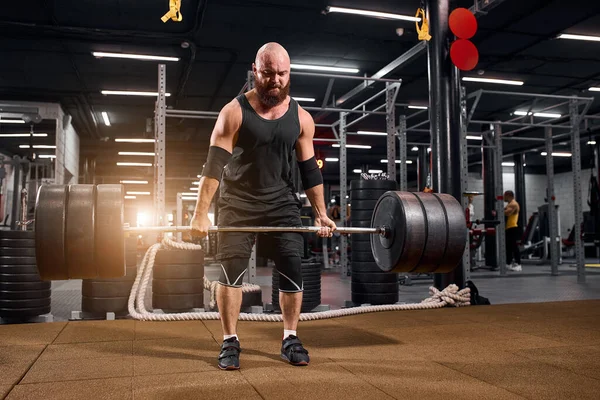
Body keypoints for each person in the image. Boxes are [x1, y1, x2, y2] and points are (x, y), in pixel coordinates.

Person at [190, 42, 336, 371]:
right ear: (255, 71)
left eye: (282, 74)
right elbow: (213, 167)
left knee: (292, 266)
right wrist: (201, 212)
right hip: (238, 201)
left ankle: (290, 336)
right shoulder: (234, 112)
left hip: (282, 201)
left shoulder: (301, 118)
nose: (275, 80)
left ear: (289, 74)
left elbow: (310, 170)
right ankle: (230, 340)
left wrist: (321, 213)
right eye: (268, 74)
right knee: (230, 273)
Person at [504, 190, 522, 272]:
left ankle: (518, 264)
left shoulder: (514, 204)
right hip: (508, 228)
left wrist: (499, 210)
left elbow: (507, 213)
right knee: (509, 247)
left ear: (509, 196)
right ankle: (508, 263)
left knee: (514, 247)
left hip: (513, 228)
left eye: (505, 196)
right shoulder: (509, 204)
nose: (504, 198)